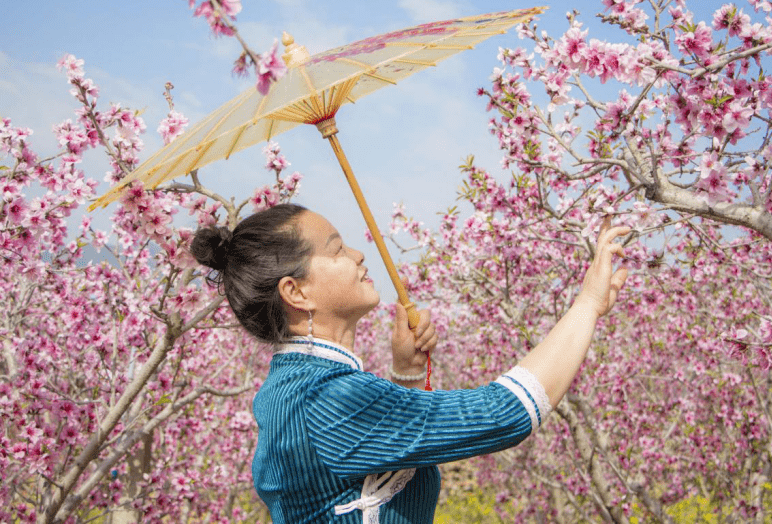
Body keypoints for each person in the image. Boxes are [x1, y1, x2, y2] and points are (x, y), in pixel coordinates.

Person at [191, 203, 629, 524]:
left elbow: (384, 460)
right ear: (297, 292)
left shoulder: (292, 390)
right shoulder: (327, 399)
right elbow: (506, 413)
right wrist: (587, 304)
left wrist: (406, 375)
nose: (359, 256)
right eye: (337, 250)